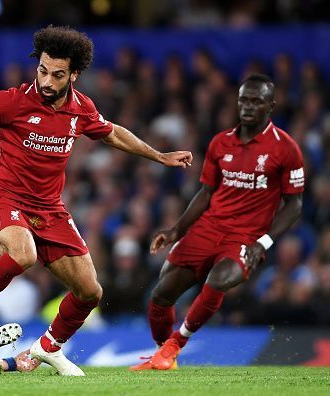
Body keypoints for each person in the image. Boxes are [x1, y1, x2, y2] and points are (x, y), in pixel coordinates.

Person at [0, 25, 193, 376]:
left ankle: (49, 348)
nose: (47, 80)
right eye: (42, 70)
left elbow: (113, 133)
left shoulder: (81, 109)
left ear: (74, 74)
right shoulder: (11, 101)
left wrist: (159, 155)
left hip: (50, 210)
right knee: (23, 254)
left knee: (90, 292)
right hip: (5, 199)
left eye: (57, 74)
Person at [130, 74, 304, 371]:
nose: (248, 107)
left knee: (218, 281)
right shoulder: (220, 143)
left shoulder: (286, 149)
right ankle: (162, 355)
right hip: (207, 229)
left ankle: (176, 344)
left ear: (271, 106)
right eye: (243, 100)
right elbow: (205, 193)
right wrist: (176, 230)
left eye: (256, 101)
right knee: (160, 295)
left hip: (246, 237)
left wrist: (262, 242)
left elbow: (294, 205)